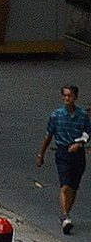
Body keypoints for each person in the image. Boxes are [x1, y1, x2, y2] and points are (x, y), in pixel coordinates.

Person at [38, 84, 87, 234]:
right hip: (62, 153)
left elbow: (87, 134)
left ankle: (66, 215)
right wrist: (41, 154)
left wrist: (79, 143)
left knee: (73, 187)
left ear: (75, 98)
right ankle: (66, 216)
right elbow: (49, 135)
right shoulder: (56, 115)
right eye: (65, 95)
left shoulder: (83, 116)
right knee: (65, 185)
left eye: (70, 96)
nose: (67, 98)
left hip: (78, 155)